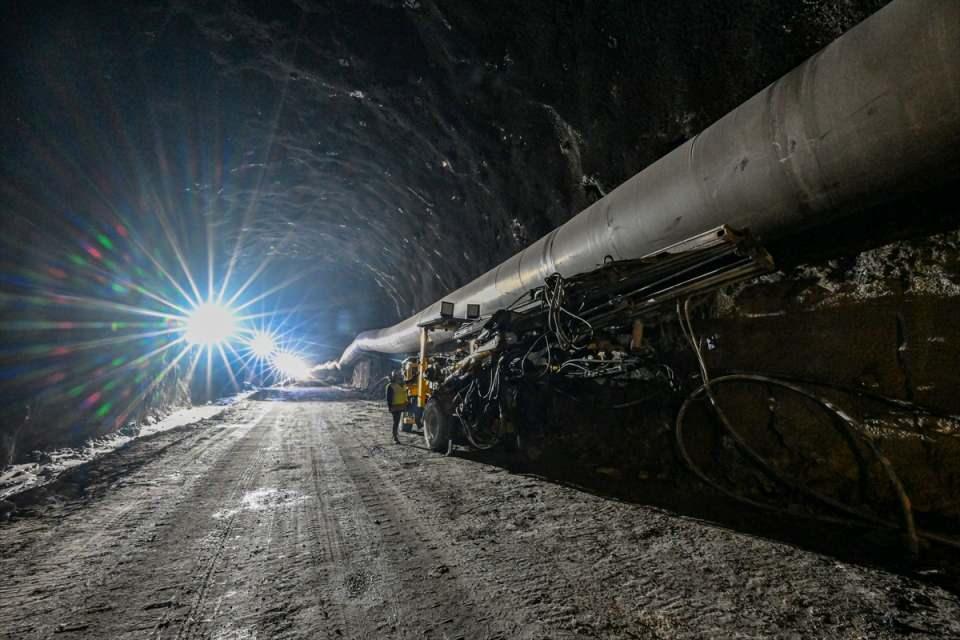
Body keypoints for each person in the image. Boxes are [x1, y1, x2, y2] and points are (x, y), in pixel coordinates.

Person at [385, 371, 408, 443]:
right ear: (394, 377)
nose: (400, 377)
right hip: (394, 407)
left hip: (401, 406)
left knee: (397, 421)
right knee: (396, 422)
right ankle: (395, 437)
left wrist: (417, 374)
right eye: (398, 376)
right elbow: (388, 398)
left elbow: (409, 381)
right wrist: (390, 408)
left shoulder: (401, 384)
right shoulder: (390, 386)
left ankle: (395, 435)